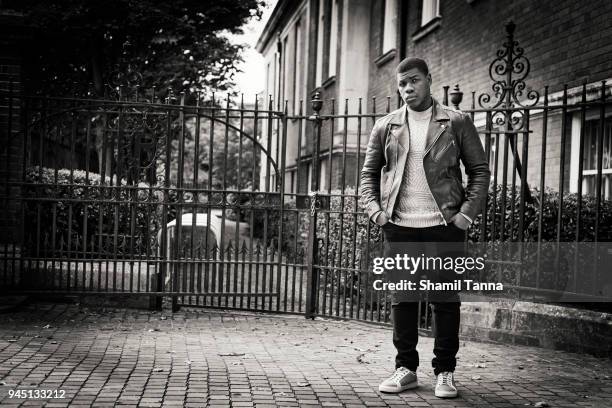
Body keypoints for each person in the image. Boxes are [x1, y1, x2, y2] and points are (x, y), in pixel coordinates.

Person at [360, 57, 490, 398]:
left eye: (414, 81)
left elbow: (479, 171)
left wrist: (466, 215)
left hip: (444, 226)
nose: (407, 89)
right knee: (403, 299)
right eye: (402, 84)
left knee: (445, 301)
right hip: (400, 227)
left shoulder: (456, 121)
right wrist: (376, 212)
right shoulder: (386, 126)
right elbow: (368, 176)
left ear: (429, 80)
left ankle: (445, 372)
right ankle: (406, 369)